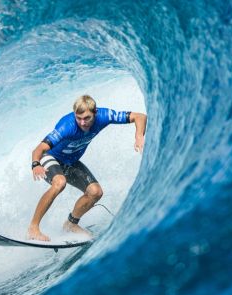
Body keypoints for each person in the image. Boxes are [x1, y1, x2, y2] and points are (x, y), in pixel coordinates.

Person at [28, 94, 147, 241]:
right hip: (50, 157)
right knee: (59, 183)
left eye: (87, 118)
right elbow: (39, 149)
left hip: (71, 161)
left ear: (95, 113)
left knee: (95, 192)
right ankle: (33, 228)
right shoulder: (67, 126)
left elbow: (139, 116)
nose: (82, 123)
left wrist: (139, 136)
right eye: (79, 118)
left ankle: (71, 224)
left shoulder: (104, 116)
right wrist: (36, 164)